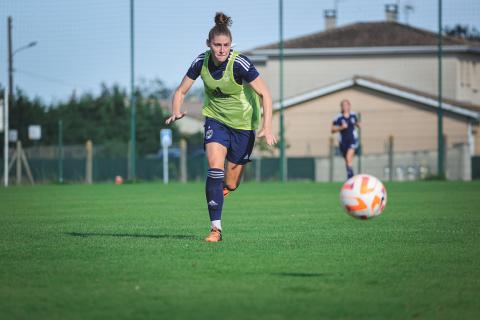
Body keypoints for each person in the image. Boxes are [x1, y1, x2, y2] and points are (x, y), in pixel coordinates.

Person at [165, 12, 276, 242]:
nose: (222, 50)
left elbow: (265, 93)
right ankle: (216, 229)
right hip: (216, 120)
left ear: (230, 45)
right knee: (215, 168)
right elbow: (181, 91)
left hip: (244, 126)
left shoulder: (240, 63)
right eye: (217, 45)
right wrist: (176, 110)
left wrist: (267, 126)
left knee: (231, 182)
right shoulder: (200, 62)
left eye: (226, 45)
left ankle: (222, 189)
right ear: (209, 44)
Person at [331, 99, 360, 179]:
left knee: (348, 157)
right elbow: (332, 130)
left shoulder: (353, 115)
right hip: (343, 142)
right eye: (343, 105)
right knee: (347, 161)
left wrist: (357, 124)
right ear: (341, 107)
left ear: (349, 106)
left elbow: (358, 124)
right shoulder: (338, 117)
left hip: (353, 139)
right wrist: (341, 127)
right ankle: (350, 176)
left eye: (346, 105)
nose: (345, 107)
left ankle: (351, 177)